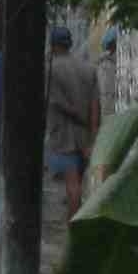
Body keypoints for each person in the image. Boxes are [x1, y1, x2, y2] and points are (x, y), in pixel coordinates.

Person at [46, 23, 103, 218]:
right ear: (69, 44)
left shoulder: (50, 69)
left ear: (53, 45)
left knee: (72, 184)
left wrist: (76, 115)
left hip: (63, 135)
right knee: (78, 180)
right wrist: (93, 137)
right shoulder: (89, 69)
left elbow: (55, 102)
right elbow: (95, 106)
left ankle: (73, 227)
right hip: (85, 136)